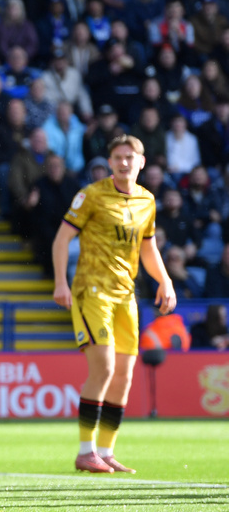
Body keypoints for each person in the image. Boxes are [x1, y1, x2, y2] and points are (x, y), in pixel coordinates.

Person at [50, 135, 176, 474]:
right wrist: (61, 282)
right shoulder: (91, 195)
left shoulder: (147, 201)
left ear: (142, 162)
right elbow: (62, 239)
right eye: (118, 157)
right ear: (110, 161)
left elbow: (147, 248)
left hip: (125, 295)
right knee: (104, 368)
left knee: (124, 374)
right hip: (91, 291)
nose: (123, 162)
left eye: (129, 157)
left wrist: (165, 280)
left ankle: (105, 451)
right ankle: (85, 450)